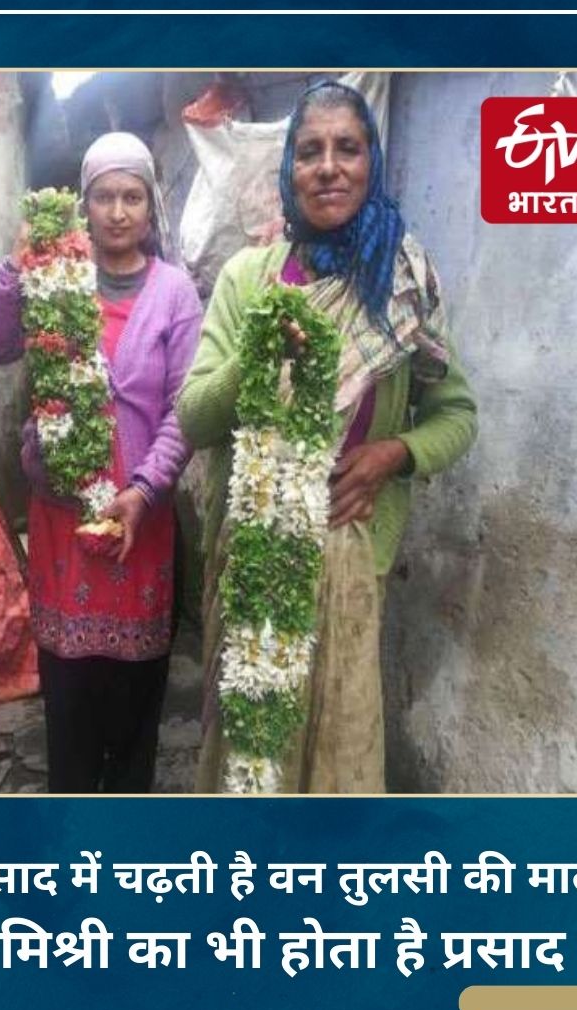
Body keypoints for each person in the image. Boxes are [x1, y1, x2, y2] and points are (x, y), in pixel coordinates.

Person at [176, 82, 478, 793]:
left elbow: (457, 416)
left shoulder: (405, 285)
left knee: (337, 755)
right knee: (249, 761)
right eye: (309, 151)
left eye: (348, 147)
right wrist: (254, 358)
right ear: (288, 170)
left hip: (350, 553)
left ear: (372, 161)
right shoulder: (249, 278)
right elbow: (192, 417)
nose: (329, 166)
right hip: (249, 554)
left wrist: (394, 455)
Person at [0, 131, 203, 793]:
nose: (118, 211)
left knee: (132, 698)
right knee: (70, 697)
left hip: (141, 519)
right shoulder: (54, 277)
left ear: (150, 205)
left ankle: (126, 819)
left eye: (132, 195)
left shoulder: (173, 294)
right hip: (61, 517)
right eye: (104, 196)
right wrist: (15, 269)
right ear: (84, 204)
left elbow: (182, 411)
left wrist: (144, 487)